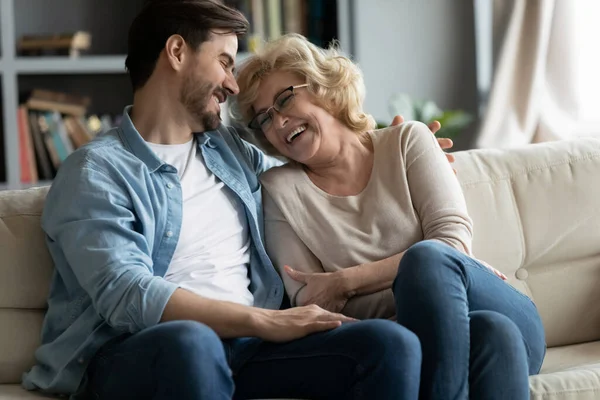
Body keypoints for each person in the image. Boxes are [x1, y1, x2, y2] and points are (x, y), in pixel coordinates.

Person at [19, 1, 456, 399]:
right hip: (136, 353)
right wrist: (264, 321)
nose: (232, 83)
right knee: (192, 342)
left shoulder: (233, 152)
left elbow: (312, 174)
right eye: (225, 62)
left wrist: (388, 153)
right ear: (176, 52)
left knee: (387, 344)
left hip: (250, 349)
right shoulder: (96, 171)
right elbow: (126, 294)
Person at [234, 33, 547, 400]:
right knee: (491, 332)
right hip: (448, 334)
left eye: (285, 97)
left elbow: (451, 244)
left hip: (501, 307)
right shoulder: (279, 190)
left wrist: (347, 281)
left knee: (429, 258)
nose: (279, 120)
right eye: (264, 119)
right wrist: (430, 304)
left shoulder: (407, 141)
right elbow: (314, 302)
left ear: (324, 88)